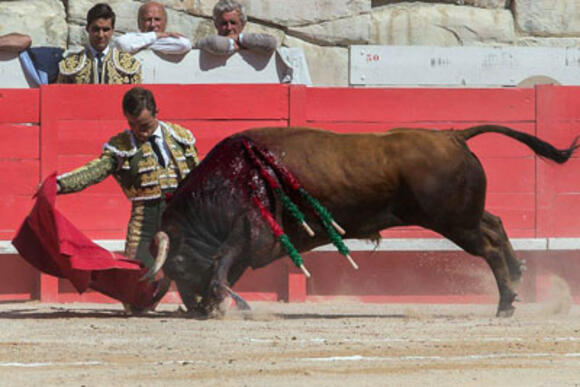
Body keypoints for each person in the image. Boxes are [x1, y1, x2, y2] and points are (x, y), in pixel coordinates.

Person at [56, 87, 200, 312]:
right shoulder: (122, 146)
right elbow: (95, 170)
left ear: (156, 113)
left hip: (182, 216)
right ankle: (156, 295)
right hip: (146, 219)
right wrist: (60, 184)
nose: (139, 133)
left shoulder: (180, 137)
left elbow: (200, 175)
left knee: (199, 299)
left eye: (144, 126)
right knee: (135, 298)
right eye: (132, 125)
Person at [57, 3, 141, 84]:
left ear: (112, 30)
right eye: (96, 29)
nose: (101, 35)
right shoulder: (69, 65)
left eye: (105, 30)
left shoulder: (129, 64)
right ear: (87, 28)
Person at [196, 0, 277, 56]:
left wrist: (239, 39)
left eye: (233, 23)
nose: (229, 27)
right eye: (224, 23)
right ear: (216, 25)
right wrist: (231, 43)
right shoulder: (209, 44)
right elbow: (215, 43)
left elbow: (271, 43)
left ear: (243, 23)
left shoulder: (253, 42)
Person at [114, 1, 192, 55]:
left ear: (165, 22)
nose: (153, 24)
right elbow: (121, 44)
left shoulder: (134, 40)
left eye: (157, 19)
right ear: (139, 22)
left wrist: (139, 45)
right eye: (148, 19)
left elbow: (184, 44)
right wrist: (155, 36)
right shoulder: (130, 38)